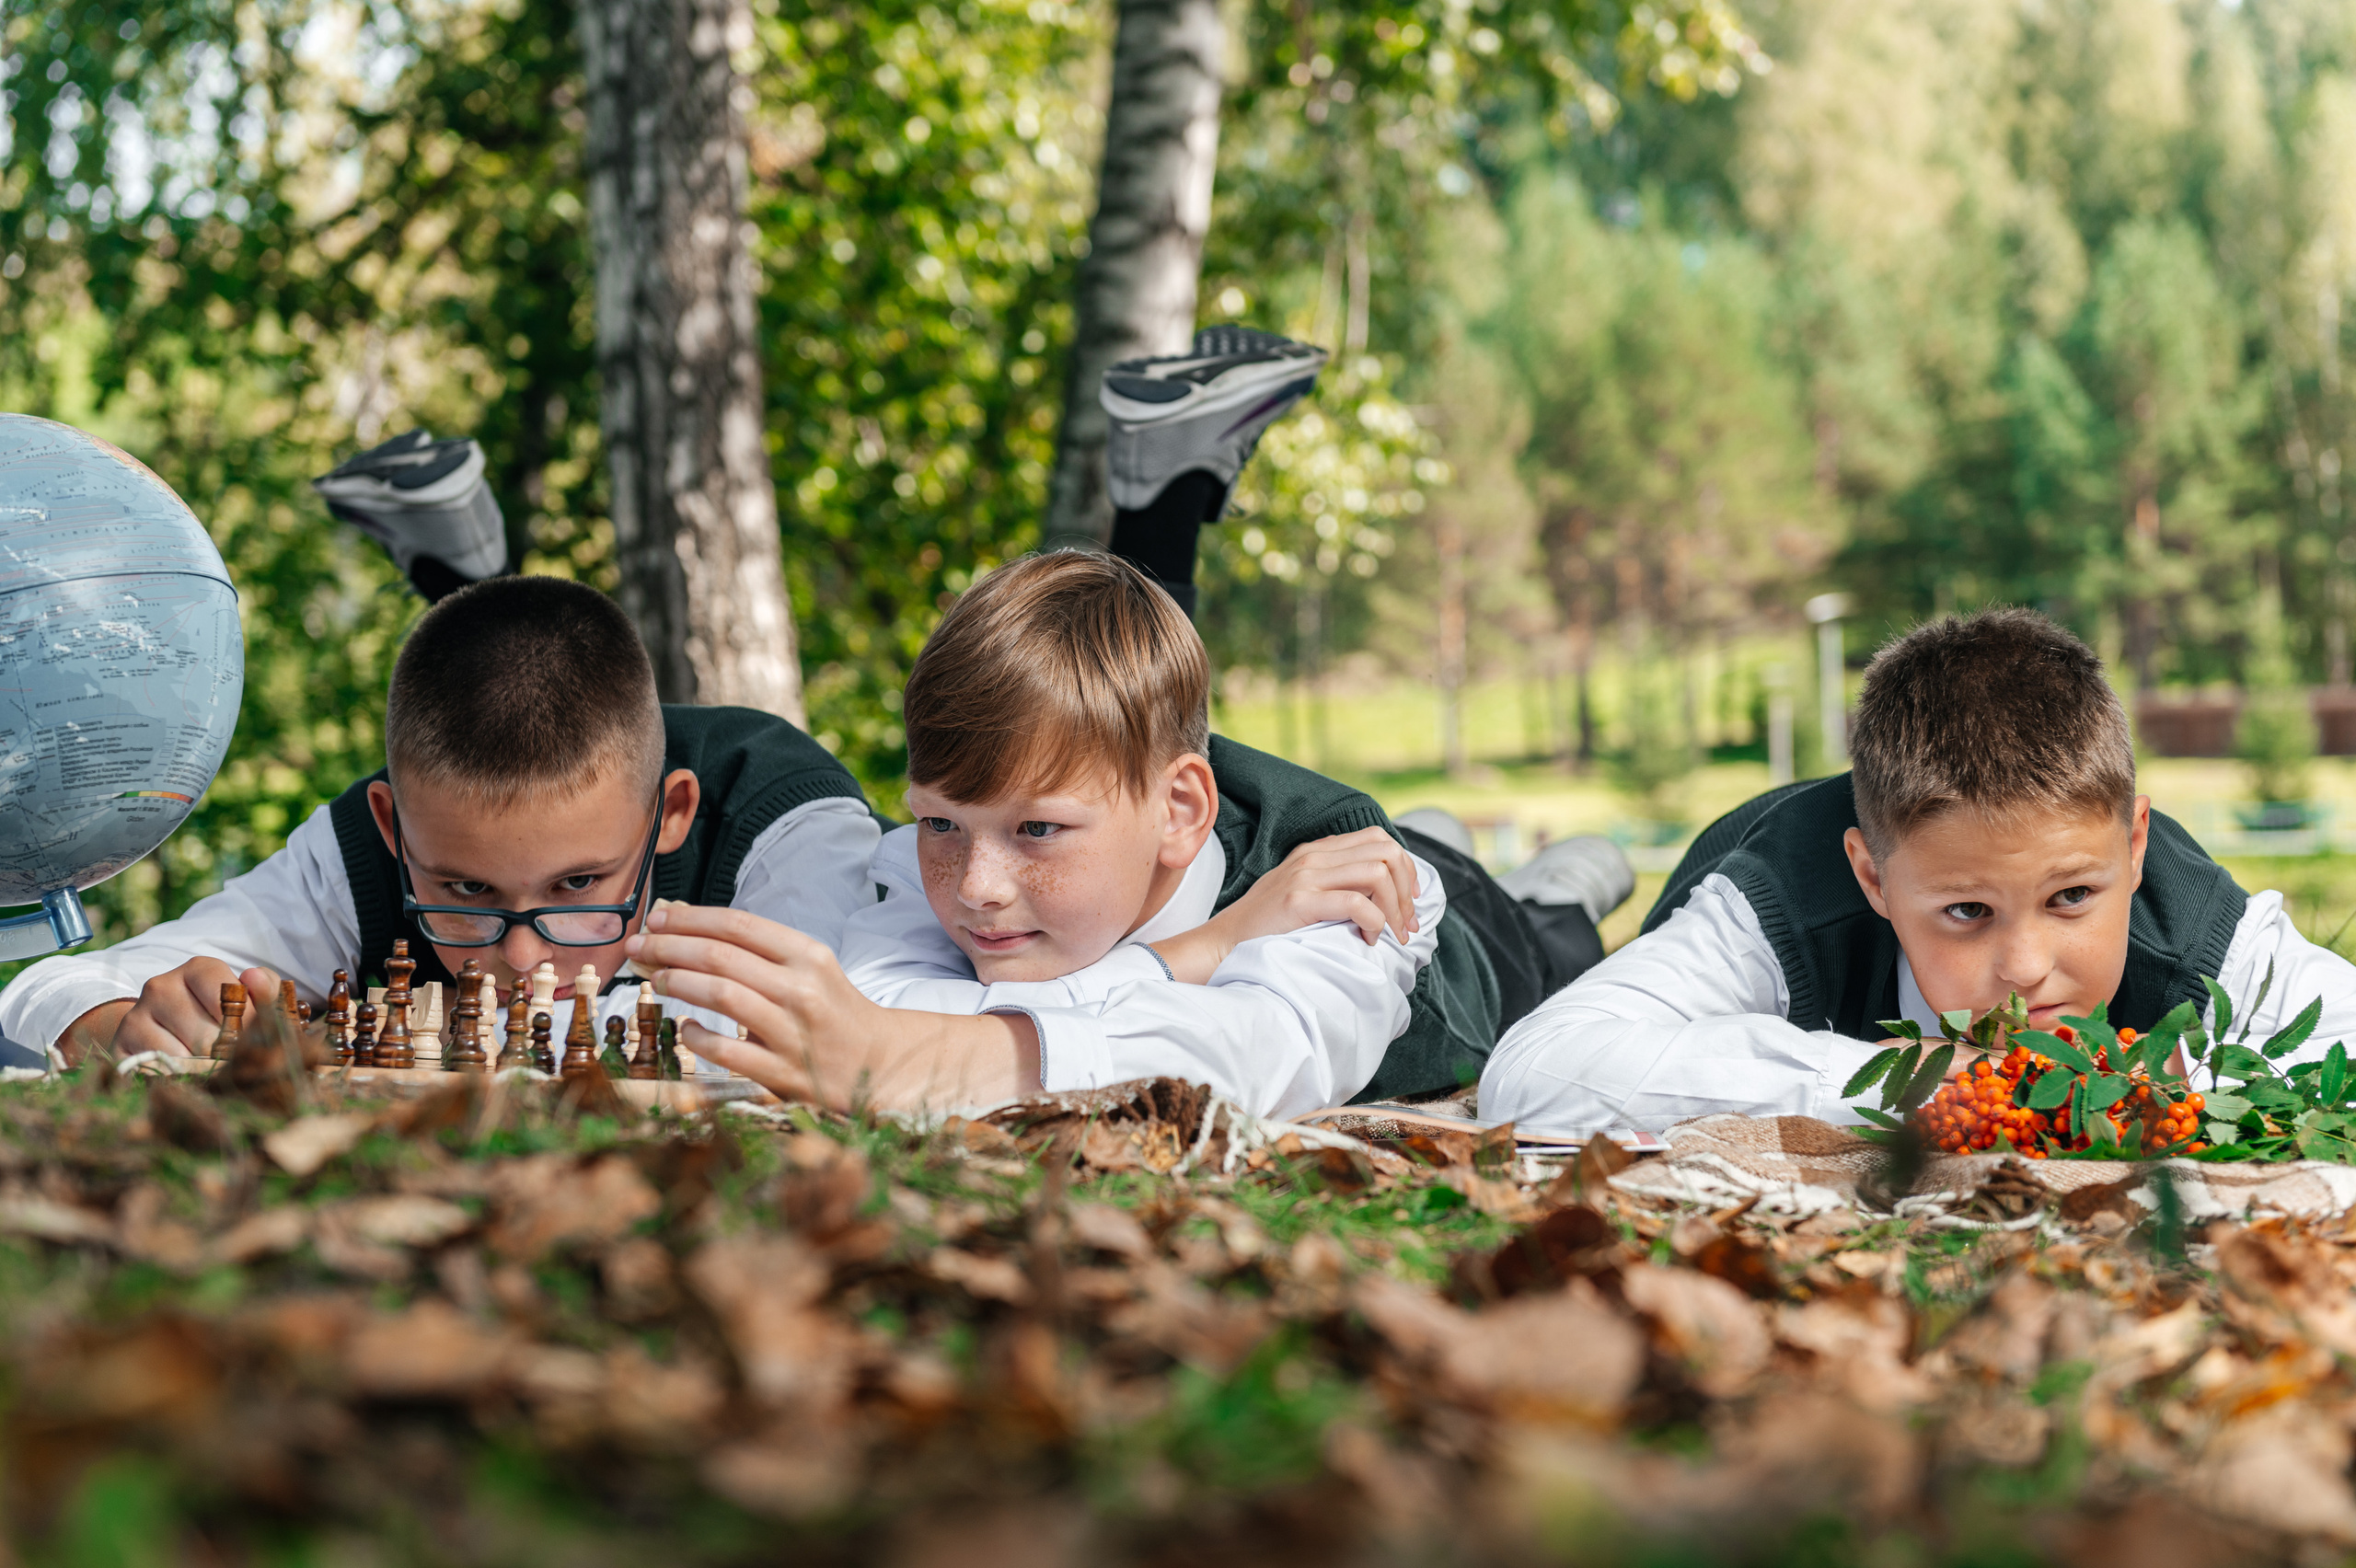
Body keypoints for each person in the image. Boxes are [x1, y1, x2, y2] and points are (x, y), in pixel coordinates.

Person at [624, 547, 1630, 1120]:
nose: (974, 885)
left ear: (1177, 815)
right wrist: (1201, 952)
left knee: (1543, 931)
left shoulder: (1333, 888)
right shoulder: (923, 865)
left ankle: (1551, 885)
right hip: (1217, 900)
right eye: (939, 821)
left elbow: (1247, 1058)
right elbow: (876, 997)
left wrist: (911, 1058)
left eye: (1037, 831)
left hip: (1466, 946)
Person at [1478, 607, 2356, 1135]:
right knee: (1527, 962)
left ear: (2132, 848)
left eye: (2073, 898)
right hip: (1691, 898)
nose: (2024, 967)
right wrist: (1911, 1085)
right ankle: (1550, 897)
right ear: (1874, 880)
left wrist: (2141, 1087)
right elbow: (1539, 1068)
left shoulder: (2189, 915)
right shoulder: (1781, 901)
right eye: (1968, 912)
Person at [0, 576, 882, 1062]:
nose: (523, 956)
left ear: (673, 814)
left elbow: (811, 1035)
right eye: (466, 890)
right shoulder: (367, 839)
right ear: (393, 829)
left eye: (579, 885)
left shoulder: (789, 822)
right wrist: (119, 1018)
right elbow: (55, 984)